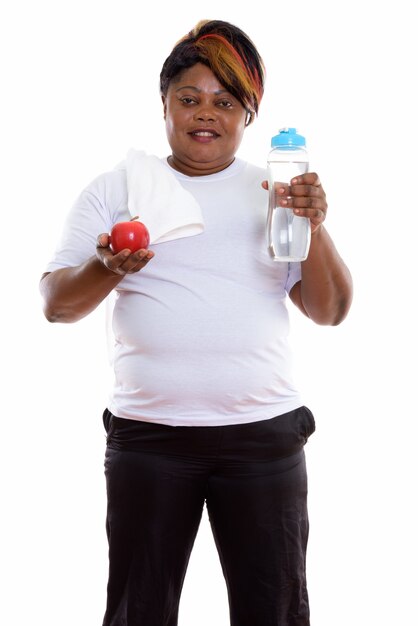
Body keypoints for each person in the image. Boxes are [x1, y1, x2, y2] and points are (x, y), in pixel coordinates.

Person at [40, 19, 353, 626]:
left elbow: (331, 311)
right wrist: (108, 266)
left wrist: (312, 226)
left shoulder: (277, 190)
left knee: (275, 611)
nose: (204, 114)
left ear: (248, 114)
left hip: (263, 438)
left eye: (224, 102)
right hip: (149, 439)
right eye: (188, 98)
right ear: (164, 104)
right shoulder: (117, 190)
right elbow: (57, 305)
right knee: (139, 612)